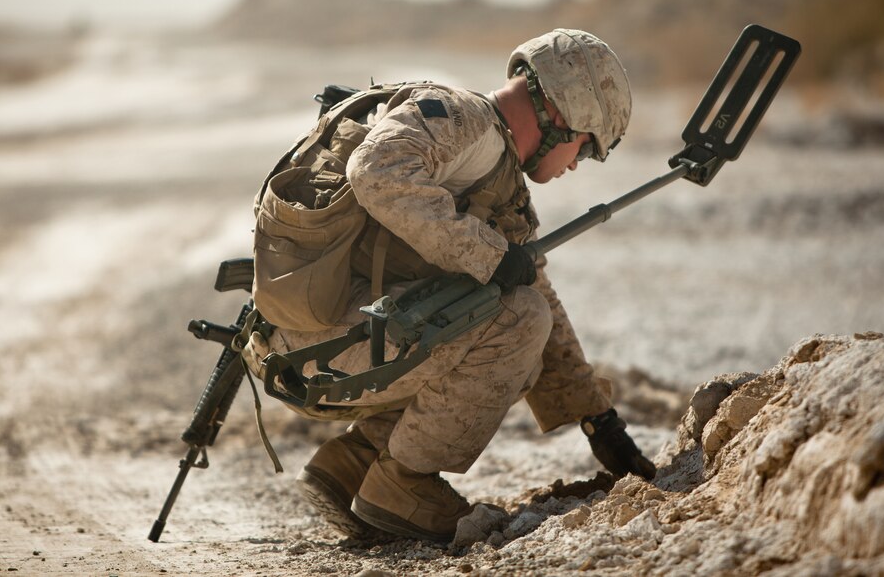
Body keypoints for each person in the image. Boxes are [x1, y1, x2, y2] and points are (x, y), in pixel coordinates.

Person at [245, 29, 656, 543]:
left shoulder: (493, 166)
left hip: (318, 344)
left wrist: (598, 419)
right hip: (318, 347)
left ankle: (349, 466)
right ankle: (403, 486)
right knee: (518, 322)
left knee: (510, 312)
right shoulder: (465, 119)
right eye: (586, 148)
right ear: (562, 115)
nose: (575, 164)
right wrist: (487, 256)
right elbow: (374, 169)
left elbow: (535, 282)